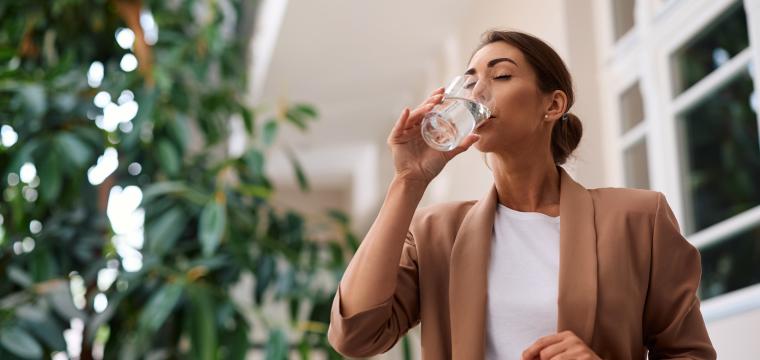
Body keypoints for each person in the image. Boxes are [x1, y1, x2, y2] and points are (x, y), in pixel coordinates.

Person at [327, 30, 716, 360]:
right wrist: (408, 181)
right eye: (471, 78)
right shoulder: (436, 231)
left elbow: (690, 353)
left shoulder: (639, 218)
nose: (478, 91)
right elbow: (355, 335)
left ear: (553, 104)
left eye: (500, 76)